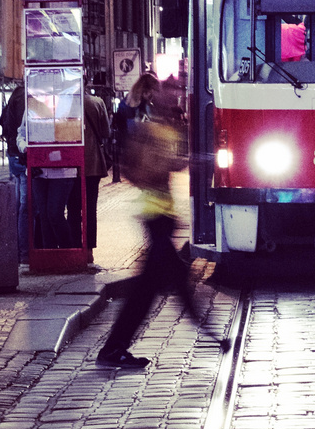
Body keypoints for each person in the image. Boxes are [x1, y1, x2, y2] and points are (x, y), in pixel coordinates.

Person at [97, 79, 214, 368]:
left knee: (154, 285)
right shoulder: (146, 128)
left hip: (164, 215)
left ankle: (116, 347)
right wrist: (172, 164)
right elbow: (137, 168)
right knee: (155, 285)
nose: (176, 97)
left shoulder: (167, 126)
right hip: (154, 215)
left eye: (178, 92)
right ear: (159, 95)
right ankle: (206, 330)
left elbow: (168, 163)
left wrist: (186, 162)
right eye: (172, 92)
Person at [69, 89, 111, 265]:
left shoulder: (65, 103)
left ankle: (74, 247)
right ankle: (89, 251)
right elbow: (105, 132)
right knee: (90, 209)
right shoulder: (97, 102)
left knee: (72, 208)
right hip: (93, 164)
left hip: (71, 164)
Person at [0, 85, 30, 263]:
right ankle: (24, 252)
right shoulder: (25, 99)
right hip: (21, 154)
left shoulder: (14, 97)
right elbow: (22, 129)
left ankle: (18, 250)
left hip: (13, 153)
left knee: (19, 204)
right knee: (26, 207)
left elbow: (3, 122)